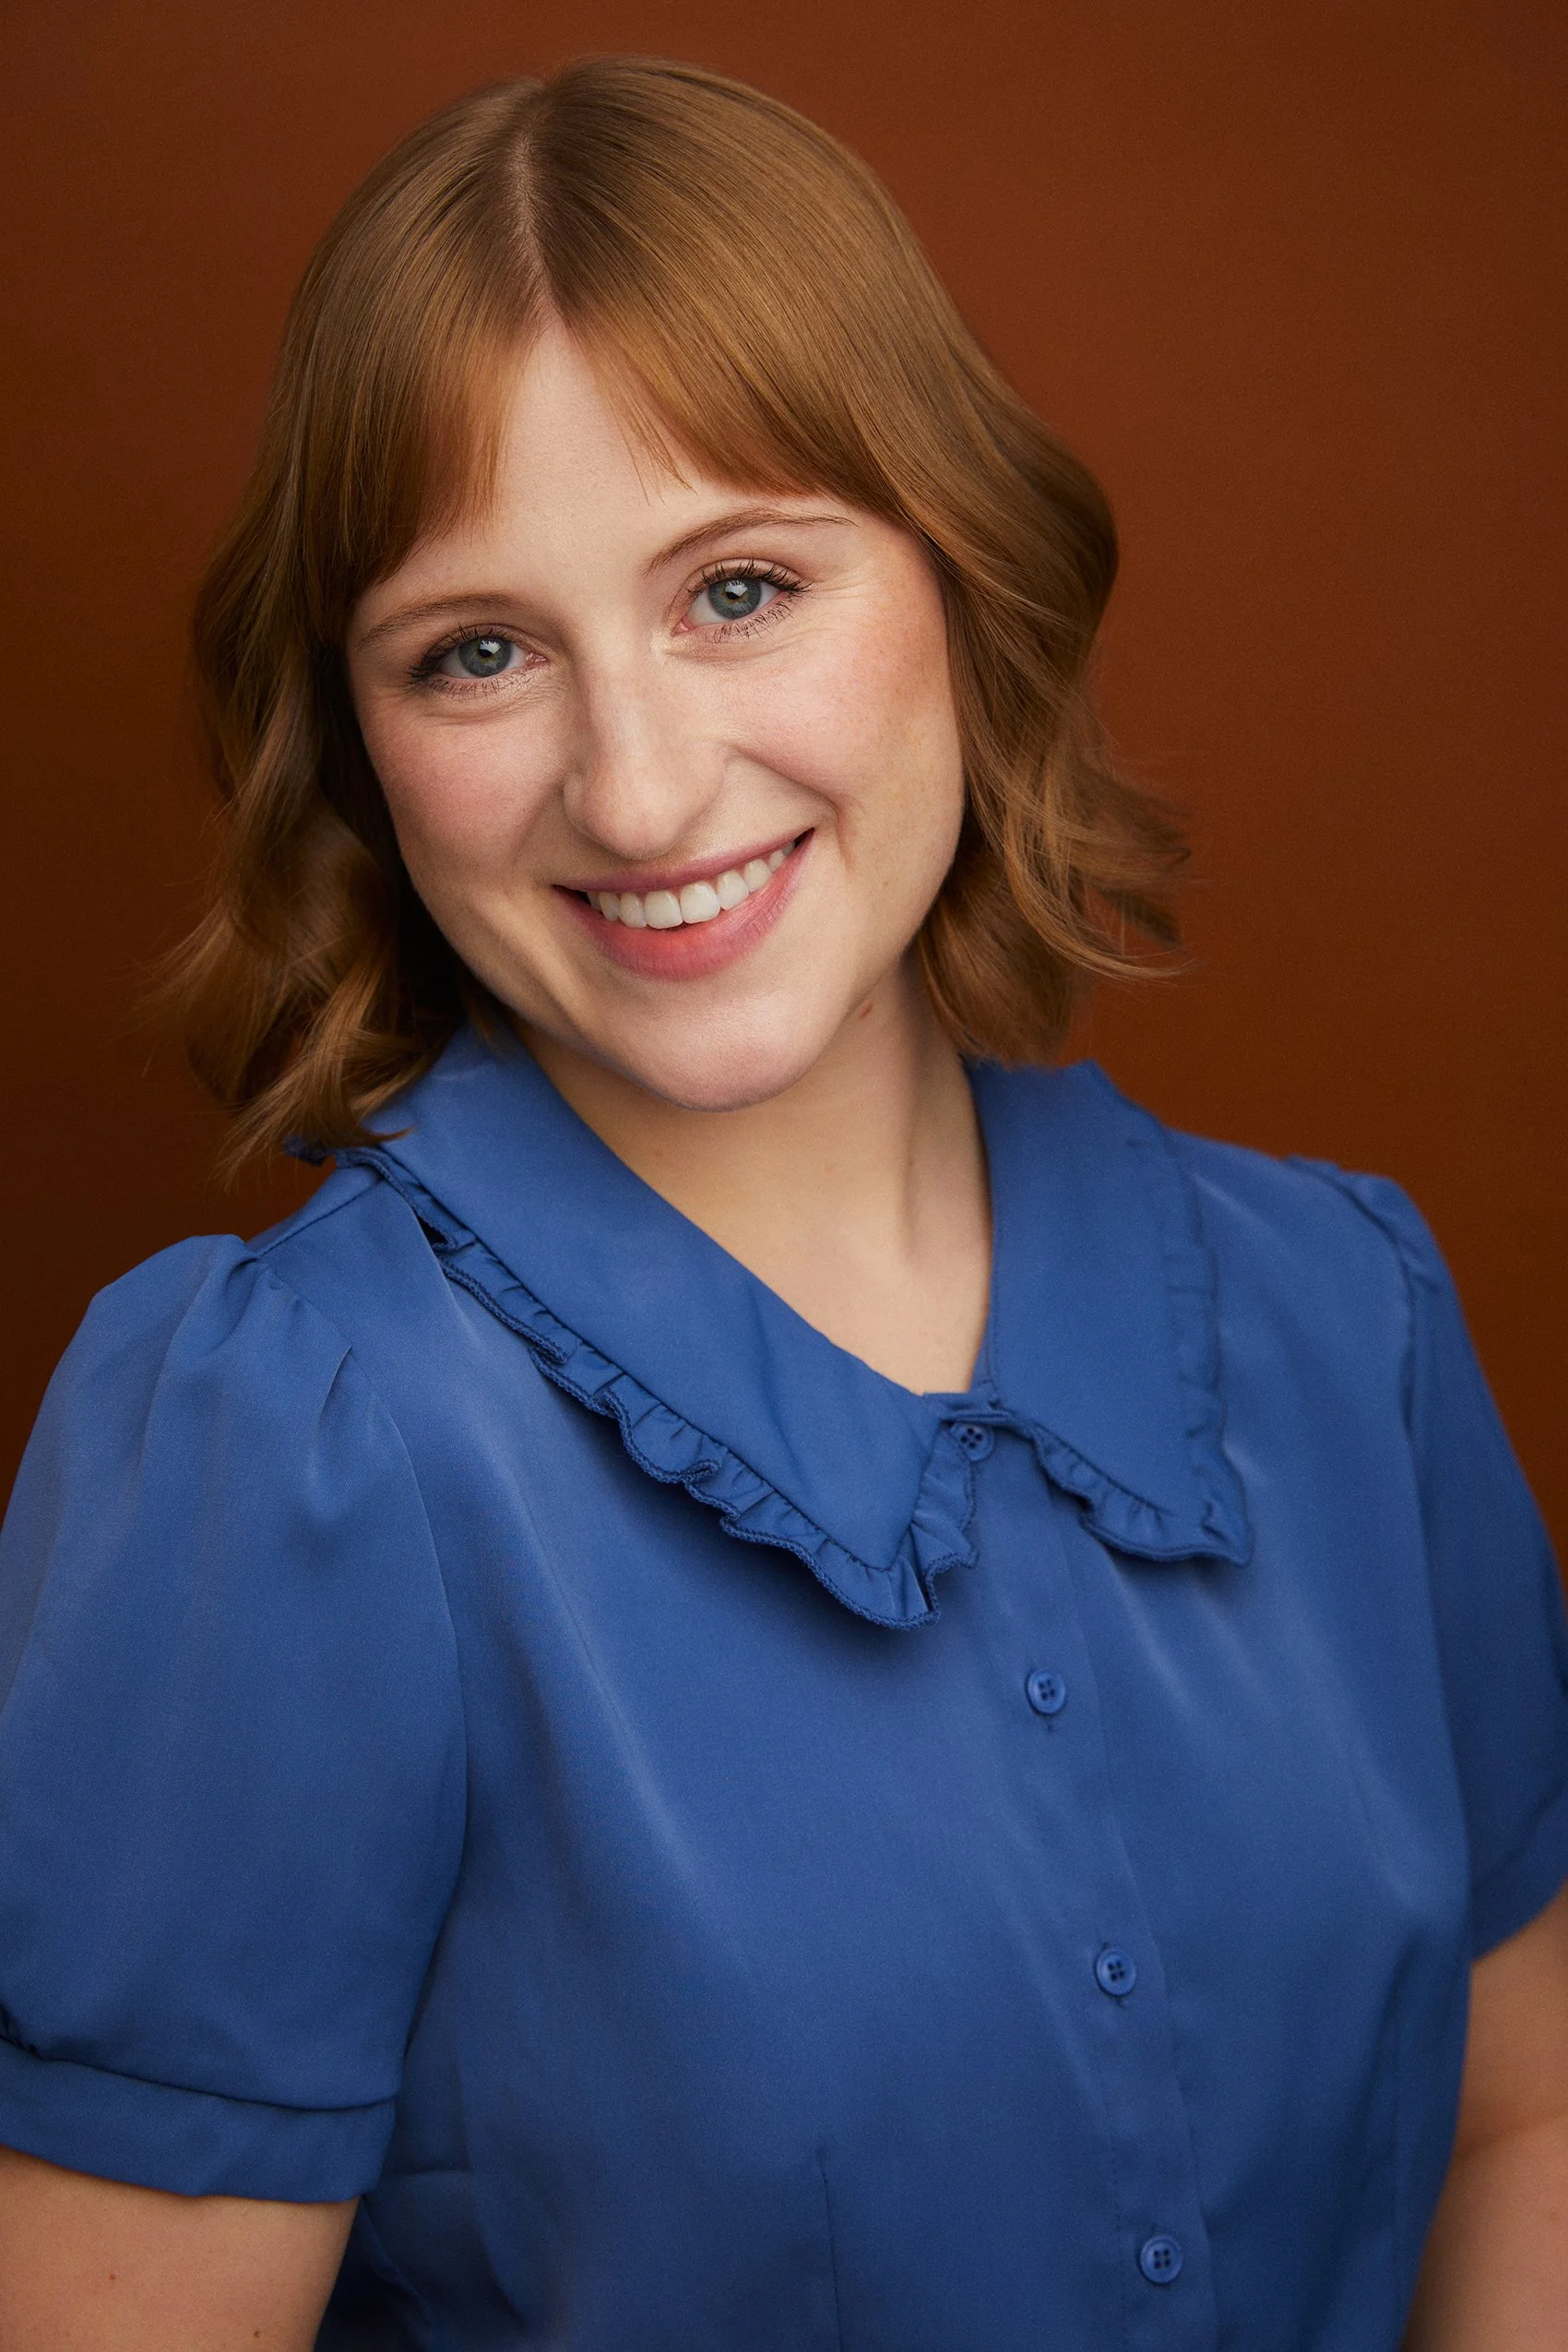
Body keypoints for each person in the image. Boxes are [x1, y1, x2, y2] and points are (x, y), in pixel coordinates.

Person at [0, 55, 1564, 2352]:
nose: (639, 792)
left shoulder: (1350, 1315)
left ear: (961, 574)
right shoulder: (280, 1444)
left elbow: (1525, 2121)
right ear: (355, 737)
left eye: (738, 588)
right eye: (476, 651)